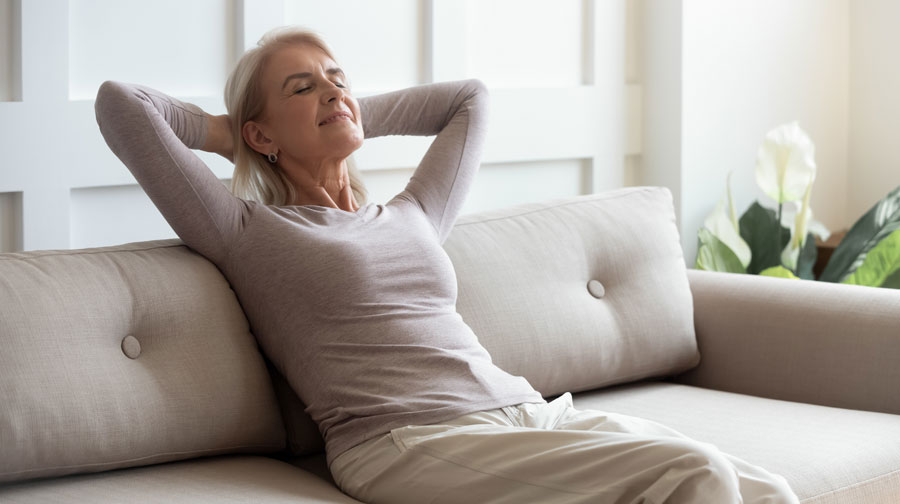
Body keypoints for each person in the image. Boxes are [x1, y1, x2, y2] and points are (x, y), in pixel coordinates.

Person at [94, 25, 801, 504]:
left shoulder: (411, 214)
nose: (332, 90)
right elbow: (122, 106)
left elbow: (470, 99)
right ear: (259, 131)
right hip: (405, 441)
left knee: (767, 489)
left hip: (529, 416)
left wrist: (339, 111)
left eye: (338, 78)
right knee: (694, 471)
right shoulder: (248, 229)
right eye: (301, 87)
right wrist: (233, 137)